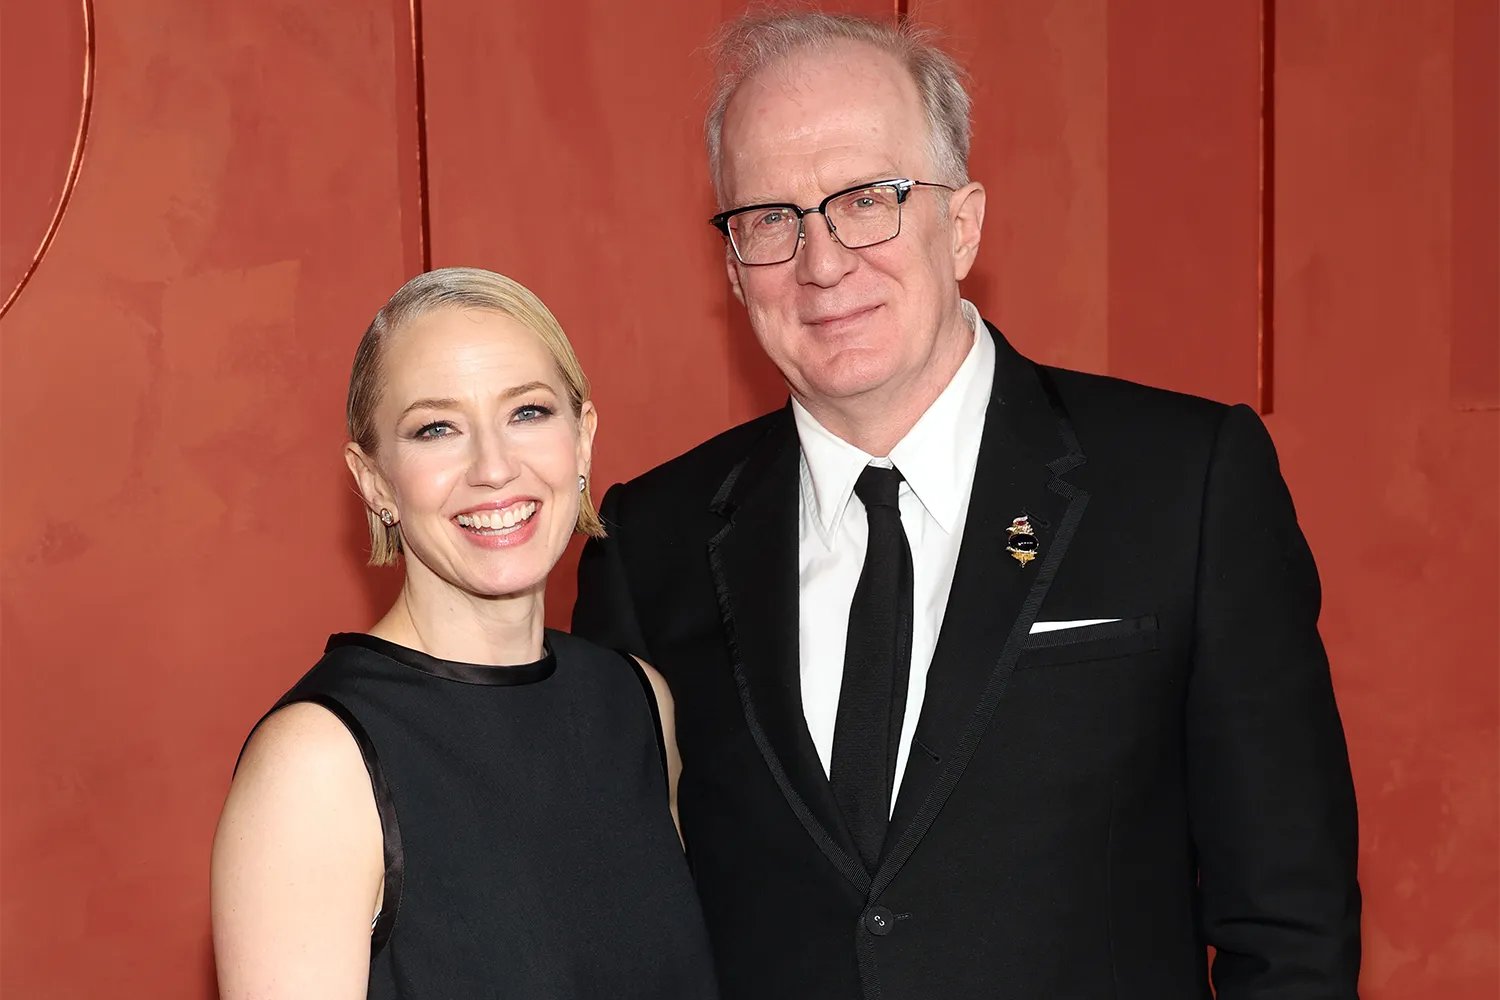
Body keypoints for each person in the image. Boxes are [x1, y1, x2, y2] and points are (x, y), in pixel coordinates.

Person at [572, 11, 1360, 1000]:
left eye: (868, 199)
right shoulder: (649, 543)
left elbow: (1290, 928)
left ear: (963, 224)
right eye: (771, 218)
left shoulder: (1184, 484)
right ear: (733, 268)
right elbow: (612, 925)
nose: (822, 262)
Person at [211, 268, 718, 999]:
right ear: (374, 481)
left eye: (528, 412)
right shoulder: (316, 765)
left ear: (582, 441)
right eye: (437, 428)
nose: (494, 468)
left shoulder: (637, 702)